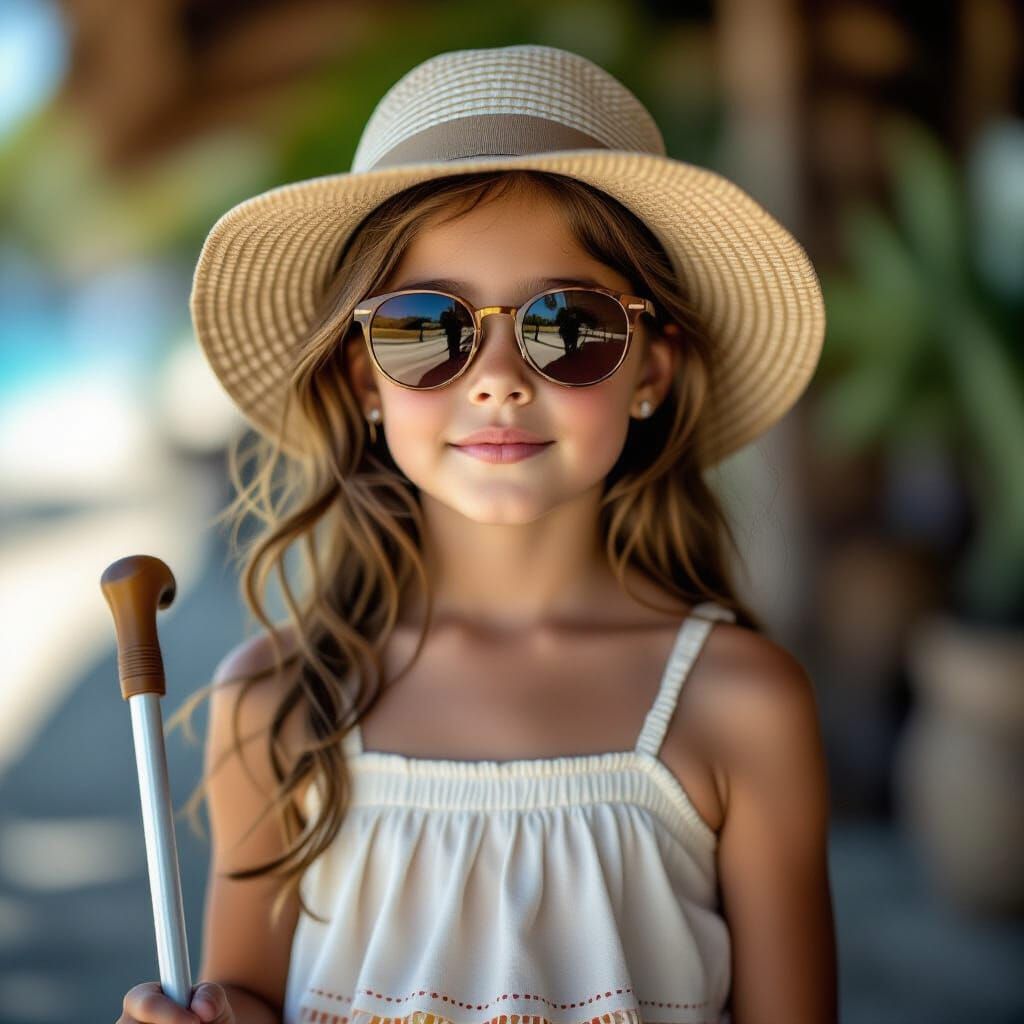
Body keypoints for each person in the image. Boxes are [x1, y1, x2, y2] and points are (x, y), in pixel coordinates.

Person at [118, 43, 836, 1024]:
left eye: (567, 325)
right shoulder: (280, 704)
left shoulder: (744, 706)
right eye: (425, 328)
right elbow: (247, 997)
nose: (497, 379)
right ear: (364, 380)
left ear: (652, 371)